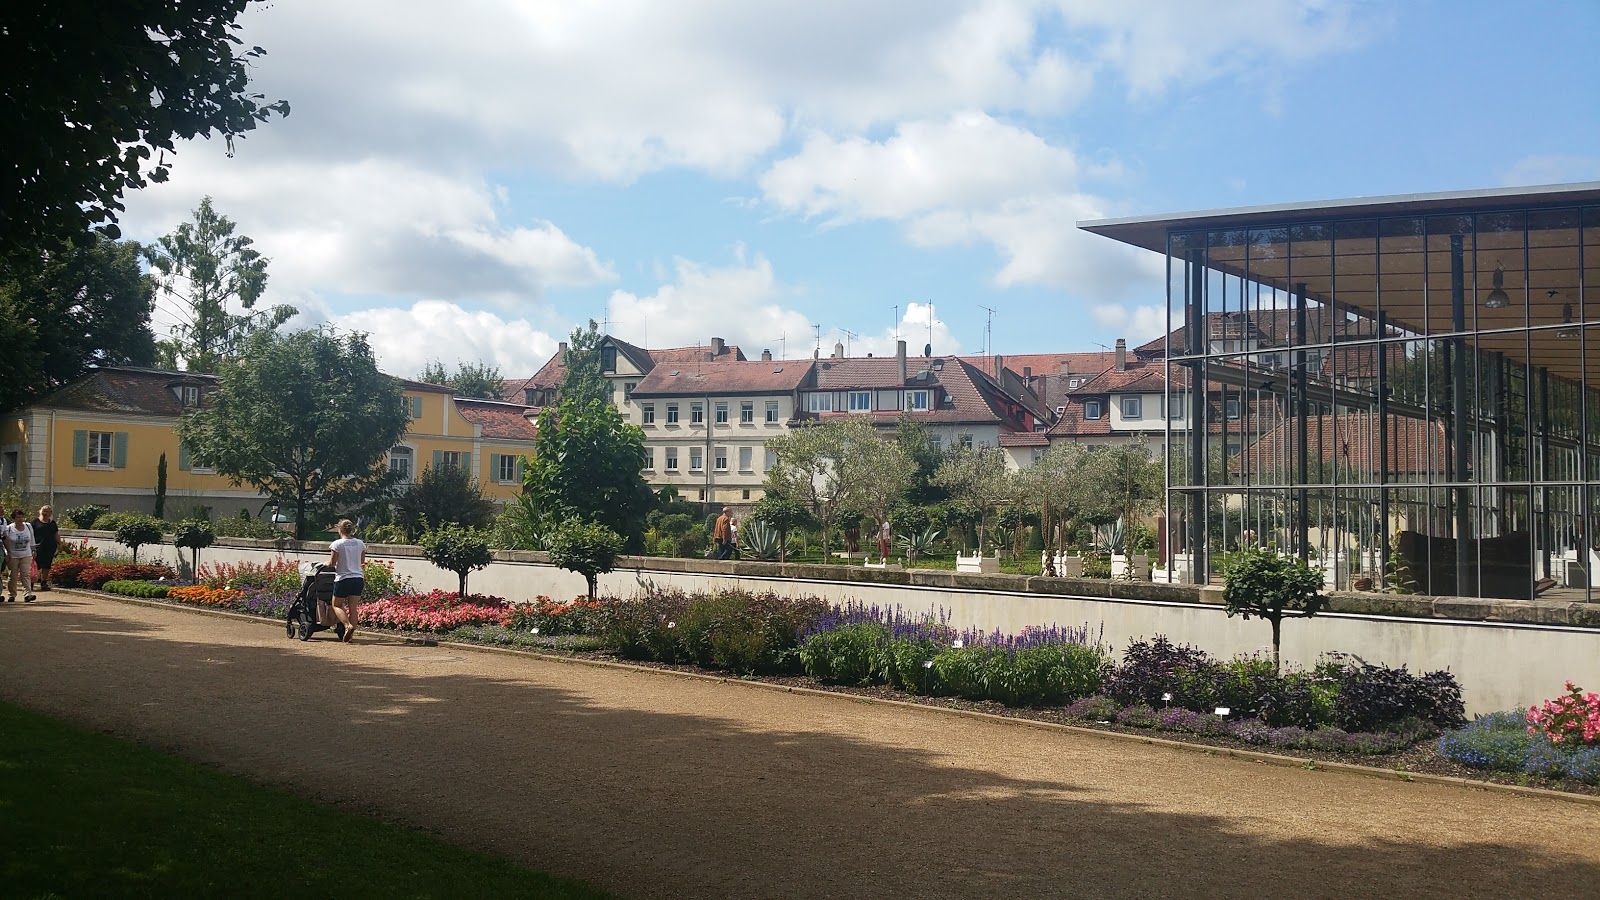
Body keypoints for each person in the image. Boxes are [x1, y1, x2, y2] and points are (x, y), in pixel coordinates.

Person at [326, 519, 364, 643]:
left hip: (343, 578)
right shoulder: (360, 543)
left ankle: (347, 625)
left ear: (340, 529)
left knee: (336, 604)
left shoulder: (337, 544)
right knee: (353, 608)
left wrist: (326, 564)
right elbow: (362, 562)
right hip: (358, 578)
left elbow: (332, 563)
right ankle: (350, 637)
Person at [3, 508, 37, 602]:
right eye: (18, 517)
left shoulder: (28, 526)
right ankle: (12, 594)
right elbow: (5, 542)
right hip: (13, 555)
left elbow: (32, 538)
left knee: (25, 574)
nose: (20, 519)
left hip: (26, 554)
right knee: (13, 575)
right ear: (14, 518)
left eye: (22, 516)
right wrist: (7, 553)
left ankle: (28, 594)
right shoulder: (9, 528)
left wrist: (33, 549)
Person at [32, 505, 59, 591]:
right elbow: (30, 534)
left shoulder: (52, 523)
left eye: (48, 511)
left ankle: (44, 582)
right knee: (36, 565)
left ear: (51, 513)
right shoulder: (35, 522)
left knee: (47, 565)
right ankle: (31, 582)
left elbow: (56, 534)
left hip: (50, 547)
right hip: (38, 547)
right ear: (40, 511)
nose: (46, 512)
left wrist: (60, 544)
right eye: (44, 510)